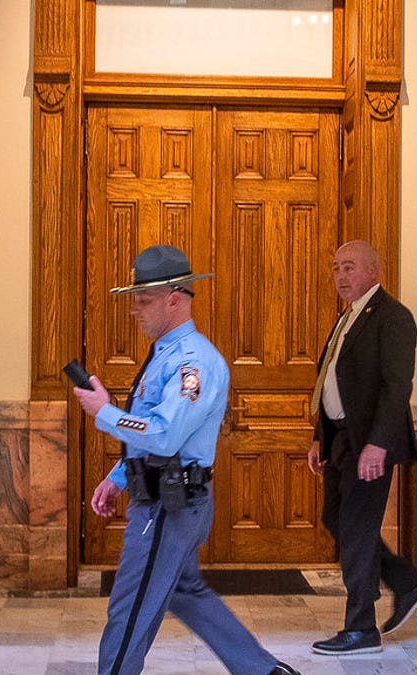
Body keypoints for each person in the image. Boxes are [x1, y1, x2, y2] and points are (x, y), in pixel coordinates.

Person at [75, 244, 298, 675]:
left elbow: (165, 434)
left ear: (174, 299)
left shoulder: (191, 362)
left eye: (143, 301)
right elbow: (150, 425)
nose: (134, 311)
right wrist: (119, 475)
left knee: (131, 605)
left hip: (167, 505)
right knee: (184, 591)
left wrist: (103, 411)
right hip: (169, 494)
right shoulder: (167, 354)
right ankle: (264, 672)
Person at [306, 240, 417, 655]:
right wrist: (319, 438)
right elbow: (332, 382)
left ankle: (361, 628)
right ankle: (404, 579)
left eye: (349, 267)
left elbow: (396, 388)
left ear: (373, 271)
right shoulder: (347, 319)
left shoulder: (393, 318)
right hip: (340, 440)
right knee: (335, 520)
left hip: (369, 445)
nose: (341, 275)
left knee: (358, 533)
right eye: (336, 267)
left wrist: (378, 444)